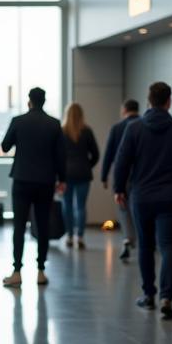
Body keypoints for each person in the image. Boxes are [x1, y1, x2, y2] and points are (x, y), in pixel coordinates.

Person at [113, 81, 172, 320]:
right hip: (171, 197)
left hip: (142, 196)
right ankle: (166, 297)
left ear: (149, 101)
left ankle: (148, 295)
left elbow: (122, 161)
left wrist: (119, 189)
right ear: (169, 101)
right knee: (169, 247)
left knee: (146, 246)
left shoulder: (135, 128)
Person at [0, 87, 66, 288]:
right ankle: (40, 271)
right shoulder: (54, 124)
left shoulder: (19, 121)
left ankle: (17, 271)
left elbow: (4, 146)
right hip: (45, 181)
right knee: (43, 225)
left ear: (29, 101)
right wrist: (62, 179)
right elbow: (60, 156)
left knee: (19, 226)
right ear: (44, 101)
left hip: (22, 179)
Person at [101, 99, 140, 261]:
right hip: (140, 175)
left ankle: (128, 237)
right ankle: (141, 239)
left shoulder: (117, 128)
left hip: (121, 174)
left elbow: (109, 154)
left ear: (124, 110)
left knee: (123, 208)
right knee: (138, 208)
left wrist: (104, 176)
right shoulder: (143, 126)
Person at [60, 102, 99, 249]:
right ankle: (80, 236)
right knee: (81, 206)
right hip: (83, 173)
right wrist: (88, 165)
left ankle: (69, 235)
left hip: (66, 173)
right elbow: (96, 154)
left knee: (67, 204)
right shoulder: (87, 131)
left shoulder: (62, 131)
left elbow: (57, 154)